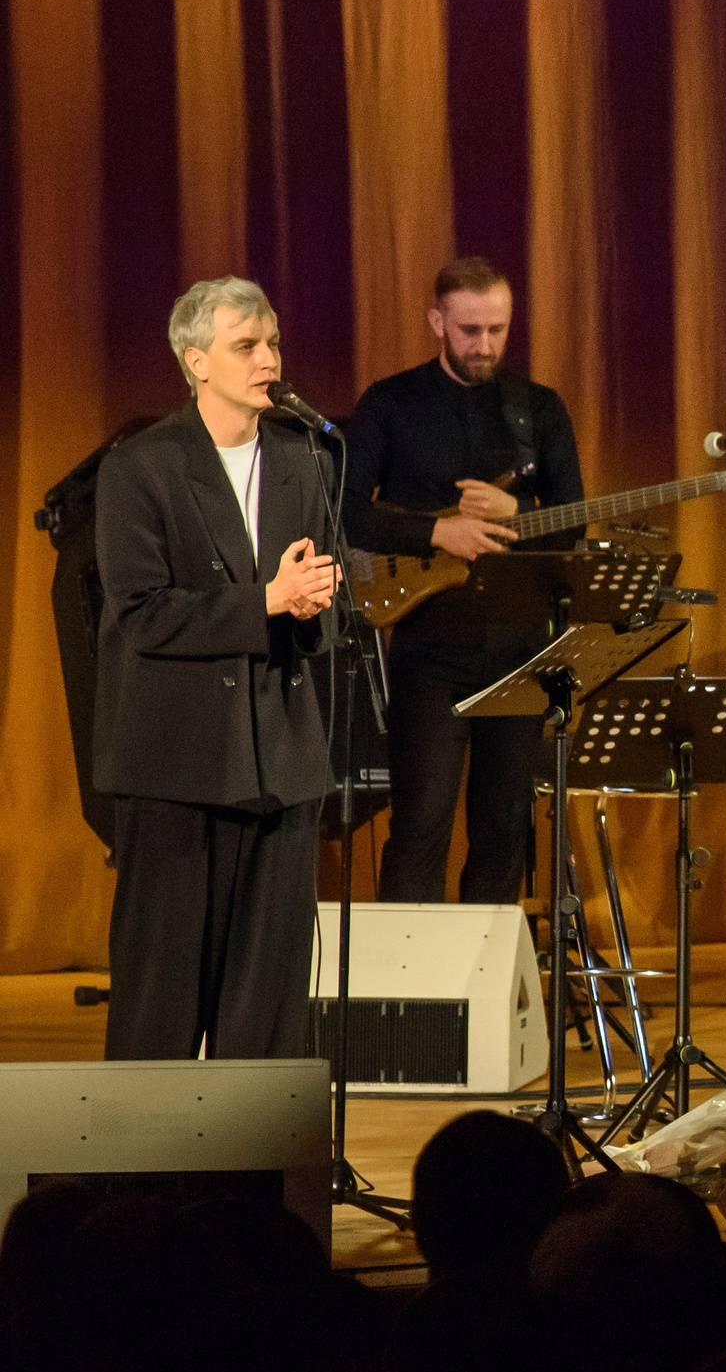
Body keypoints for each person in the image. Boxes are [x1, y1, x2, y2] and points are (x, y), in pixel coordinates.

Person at [91, 278, 340, 1058]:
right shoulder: (142, 466)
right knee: (160, 1001)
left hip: (282, 762)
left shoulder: (305, 460)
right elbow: (143, 612)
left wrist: (317, 602)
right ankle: (145, 1180)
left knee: (267, 1012)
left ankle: (258, 1180)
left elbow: (315, 606)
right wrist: (268, 599)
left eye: (271, 342)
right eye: (246, 346)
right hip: (179, 766)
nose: (269, 359)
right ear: (196, 361)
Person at [341, 256, 585, 903]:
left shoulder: (538, 409)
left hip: (522, 648)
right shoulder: (392, 403)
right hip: (430, 645)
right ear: (437, 321)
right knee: (420, 825)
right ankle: (408, 995)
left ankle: (487, 996)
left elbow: (574, 526)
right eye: (470, 329)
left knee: (504, 829)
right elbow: (343, 509)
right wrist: (434, 533)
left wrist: (521, 513)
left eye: (497, 330)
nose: (485, 345)